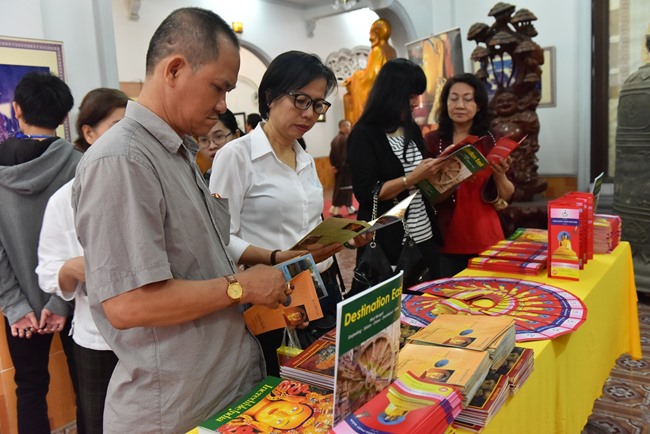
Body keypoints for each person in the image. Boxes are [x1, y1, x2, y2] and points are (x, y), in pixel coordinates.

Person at [71, 8, 290, 433]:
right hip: (173, 411)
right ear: (174, 70)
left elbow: (198, 264)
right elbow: (128, 303)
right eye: (218, 87)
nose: (223, 105)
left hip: (218, 391)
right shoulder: (122, 160)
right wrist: (241, 286)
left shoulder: (178, 152)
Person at [211, 51, 366, 377]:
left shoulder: (303, 156)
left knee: (333, 380)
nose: (309, 113)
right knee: (287, 388)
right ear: (270, 96)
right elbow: (221, 238)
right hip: (275, 293)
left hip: (323, 286)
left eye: (318, 105)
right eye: (301, 100)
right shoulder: (236, 157)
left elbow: (309, 221)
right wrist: (277, 257)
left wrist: (345, 237)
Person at [36, 87, 128, 433]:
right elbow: (48, 272)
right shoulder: (65, 200)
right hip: (98, 337)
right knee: (97, 420)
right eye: (117, 126)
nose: (128, 137)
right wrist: (74, 268)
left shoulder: (146, 187)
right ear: (89, 133)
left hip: (156, 331)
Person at [0, 71, 81, 434]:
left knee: (29, 389)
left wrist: (14, 305)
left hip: (21, 307)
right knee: (88, 387)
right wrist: (59, 301)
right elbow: (85, 240)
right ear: (64, 116)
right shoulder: (80, 165)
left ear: (17, 110)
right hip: (75, 298)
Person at [347, 58, 445, 289]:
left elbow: (420, 183)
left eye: (417, 96)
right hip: (388, 241)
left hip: (423, 233)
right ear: (391, 93)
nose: (416, 103)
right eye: (411, 96)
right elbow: (367, 192)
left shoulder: (411, 129)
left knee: (429, 300)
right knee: (394, 306)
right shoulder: (364, 134)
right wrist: (412, 178)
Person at [424, 73, 515, 277]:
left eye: (467, 99)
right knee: (448, 294)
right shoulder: (434, 141)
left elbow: (507, 195)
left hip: (488, 237)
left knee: (490, 293)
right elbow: (429, 197)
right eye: (453, 98)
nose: (460, 105)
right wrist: (456, 177)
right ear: (445, 103)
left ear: (479, 105)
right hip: (447, 237)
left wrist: (500, 175)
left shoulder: (493, 140)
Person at [344, 18, 397, 124]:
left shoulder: (378, 50)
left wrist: (354, 77)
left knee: (347, 98)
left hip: (378, 94)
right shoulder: (392, 50)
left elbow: (371, 77)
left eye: (371, 33)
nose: (370, 38)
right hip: (390, 93)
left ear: (378, 33)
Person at [196, 109, 241, 182]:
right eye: (204, 140)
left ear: (236, 136)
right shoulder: (204, 181)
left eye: (219, 136)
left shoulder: (252, 172)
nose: (212, 146)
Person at [329, 119, 356, 217]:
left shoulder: (335, 139)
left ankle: (350, 208)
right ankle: (335, 211)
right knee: (344, 189)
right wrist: (340, 167)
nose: (350, 128)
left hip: (339, 168)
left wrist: (334, 166)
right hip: (344, 169)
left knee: (344, 188)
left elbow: (331, 155)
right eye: (348, 126)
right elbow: (345, 156)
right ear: (342, 127)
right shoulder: (345, 139)